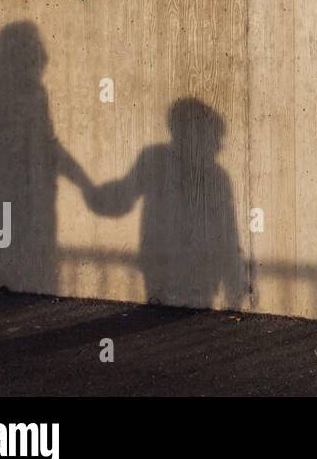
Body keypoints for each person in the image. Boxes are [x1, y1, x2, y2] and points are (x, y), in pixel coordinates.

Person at [0, 22, 93, 295]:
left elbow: (49, 144)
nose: (38, 54)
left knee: (21, 277)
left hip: (29, 196)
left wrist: (83, 182)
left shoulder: (34, 90)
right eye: (31, 46)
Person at [85, 99, 245, 309]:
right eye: (215, 136)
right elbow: (228, 233)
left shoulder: (214, 175)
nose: (218, 144)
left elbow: (228, 232)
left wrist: (234, 281)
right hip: (167, 271)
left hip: (187, 273)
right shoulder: (157, 160)